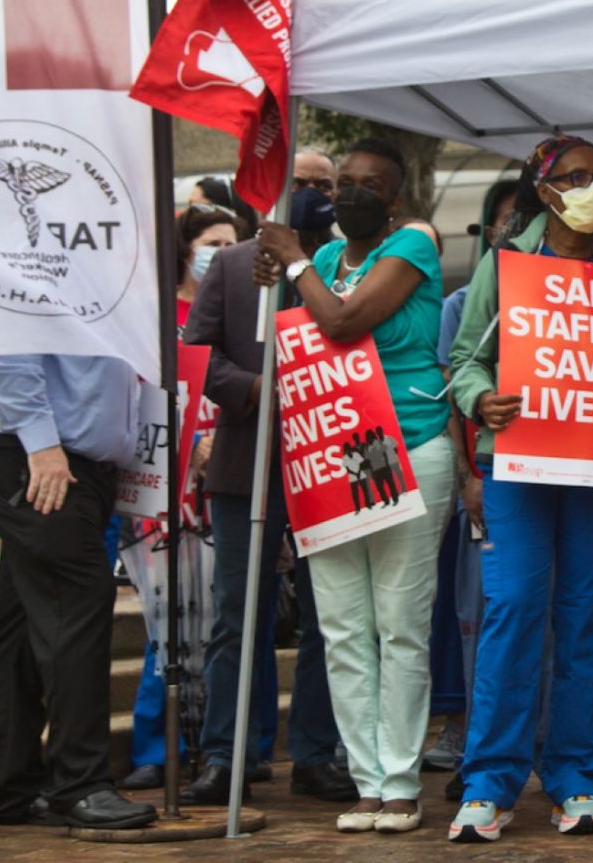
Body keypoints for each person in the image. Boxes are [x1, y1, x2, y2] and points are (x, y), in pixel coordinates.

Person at [255, 137, 456, 835]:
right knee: (341, 626)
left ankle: (400, 782)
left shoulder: (414, 245)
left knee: (400, 625)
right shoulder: (322, 262)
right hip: (328, 453)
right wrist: (285, 268)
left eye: (371, 183)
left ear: (395, 198)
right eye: (344, 182)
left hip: (405, 447)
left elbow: (342, 321)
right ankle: (366, 782)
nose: (352, 192)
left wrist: (293, 259)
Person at [447, 135, 593, 843]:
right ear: (545, 187)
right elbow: (466, 358)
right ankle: (489, 781)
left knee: (589, 613)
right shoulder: (508, 263)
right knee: (516, 608)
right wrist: (480, 399)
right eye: (577, 177)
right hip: (520, 463)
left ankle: (573, 778)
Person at [182, 227, 351, 806]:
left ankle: (315, 752)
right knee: (237, 614)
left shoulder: (343, 265)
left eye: (321, 186)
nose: (309, 193)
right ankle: (225, 754)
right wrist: (255, 388)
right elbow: (197, 352)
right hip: (246, 462)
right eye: (298, 183)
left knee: (327, 614)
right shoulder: (230, 267)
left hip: (326, 462)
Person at [0, 354, 157, 829]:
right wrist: (41, 444)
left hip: (60, 458)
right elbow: (6, 346)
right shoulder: (41, 275)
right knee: (77, 608)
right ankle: (79, 783)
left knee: (19, 625)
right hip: (40, 457)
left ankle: (12, 788)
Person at [119, 203, 250, 791]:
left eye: (233, 243)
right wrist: (187, 446)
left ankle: (243, 747)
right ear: (186, 247)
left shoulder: (245, 309)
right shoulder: (151, 316)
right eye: (210, 242)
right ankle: (159, 746)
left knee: (229, 618)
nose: (221, 253)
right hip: (166, 488)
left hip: (227, 477)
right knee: (167, 626)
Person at [424, 177, 524, 785]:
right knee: (474, 614)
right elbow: (450, 398)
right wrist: (468, 478)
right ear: (489, 231)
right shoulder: (462, 308)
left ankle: (532, 740)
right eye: (507, 220)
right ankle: (467, 730)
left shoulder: (571, 291)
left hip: (553, 481)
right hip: (484, 480)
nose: (517, 231)